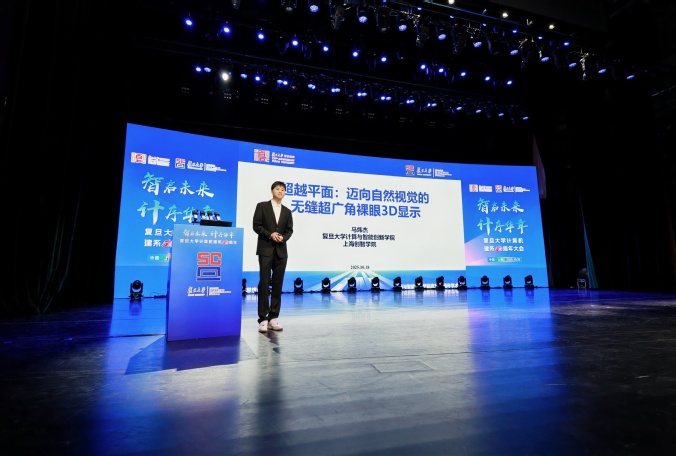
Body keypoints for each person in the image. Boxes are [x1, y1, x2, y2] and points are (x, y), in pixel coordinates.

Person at [253, 181, 293, 333]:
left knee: (278, 284)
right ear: (272, 191)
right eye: (278, 189)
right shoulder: (262, 206)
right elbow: (256, 225)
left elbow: (289, 230)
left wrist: (283, 237)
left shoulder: (287, 211)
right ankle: (263, 319)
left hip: (281, 251)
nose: (280, 191)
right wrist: (270, 234)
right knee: (264, 283)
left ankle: (273, 317)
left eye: (283, 189)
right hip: (265, 249)